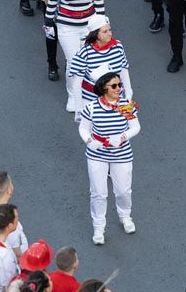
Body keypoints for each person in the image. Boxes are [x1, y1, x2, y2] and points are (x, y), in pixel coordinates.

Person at [77, 69, 138, 245]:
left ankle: (125, 216)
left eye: (120, 84)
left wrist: (122, 137)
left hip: (122, 153)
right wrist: (90, 141)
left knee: (123, 191)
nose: (119, 88)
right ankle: (98, 227)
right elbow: (83, 128)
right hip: (97, 154)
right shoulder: (92, 107)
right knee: (98, 193)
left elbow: (135, 127)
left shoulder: (125, 105)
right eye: (114, 85)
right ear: (104, 88)